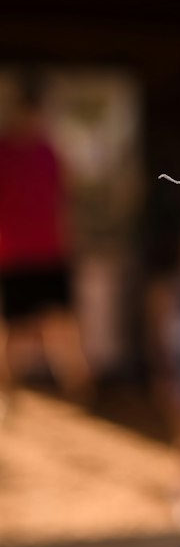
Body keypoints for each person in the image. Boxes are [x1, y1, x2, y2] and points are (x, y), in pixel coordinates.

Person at [0, 77, 91, 407]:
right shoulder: (5, 153)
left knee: (62, 327)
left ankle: (79, 395)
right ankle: (8, 396)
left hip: (50, 253)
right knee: (16, 331)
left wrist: (71, 242)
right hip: (14, 256)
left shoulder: (49, 152)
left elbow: (64, 202)